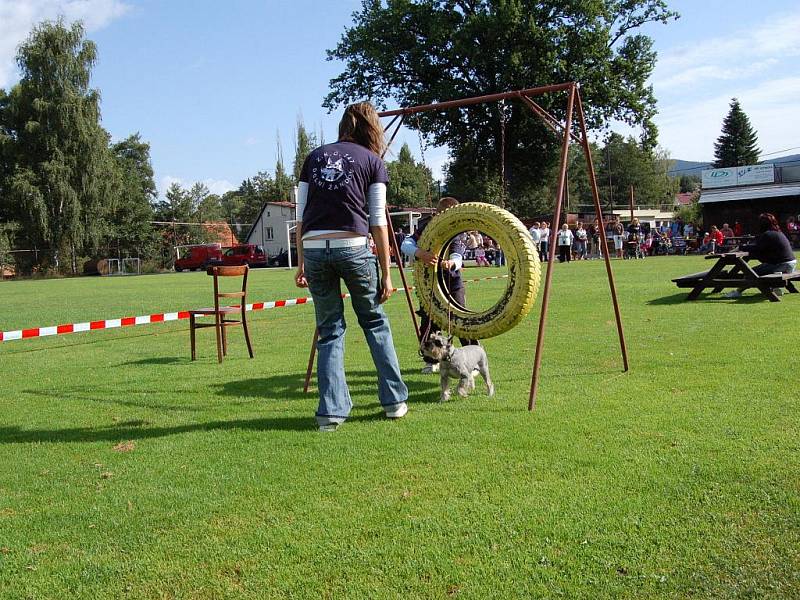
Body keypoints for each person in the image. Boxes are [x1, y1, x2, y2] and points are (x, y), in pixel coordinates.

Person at [295, 101, 408, 431]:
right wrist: (387, 274)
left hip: (315, 250)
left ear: (344, 125)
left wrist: (301, 263)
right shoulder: (373, 162)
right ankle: (394, 402)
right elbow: (377, 222)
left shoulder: (313, 158)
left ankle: (330, 413)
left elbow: (301, 216)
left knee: (329, 331)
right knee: (374, 322)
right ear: (372, 127)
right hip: (354, 247)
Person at [401, 197, 478, 373]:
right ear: (438, 213)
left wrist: (451, 263)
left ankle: (472, 361)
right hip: (428, 282)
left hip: (452, 281)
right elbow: (406, 243)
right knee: (429, 321)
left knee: (460, 319)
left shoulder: (457, 227)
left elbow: (458, 253)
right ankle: (431, 361)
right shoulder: (426, 225)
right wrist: (420, 253)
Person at [727, 213, 797, 298]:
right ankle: (774, 288)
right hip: (791, 263)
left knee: (750, 273)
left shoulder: (767, 234)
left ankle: (738, 292)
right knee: (762, 269)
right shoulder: (778, 233)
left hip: (782, 264)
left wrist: (741, 247)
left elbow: (757, 248)